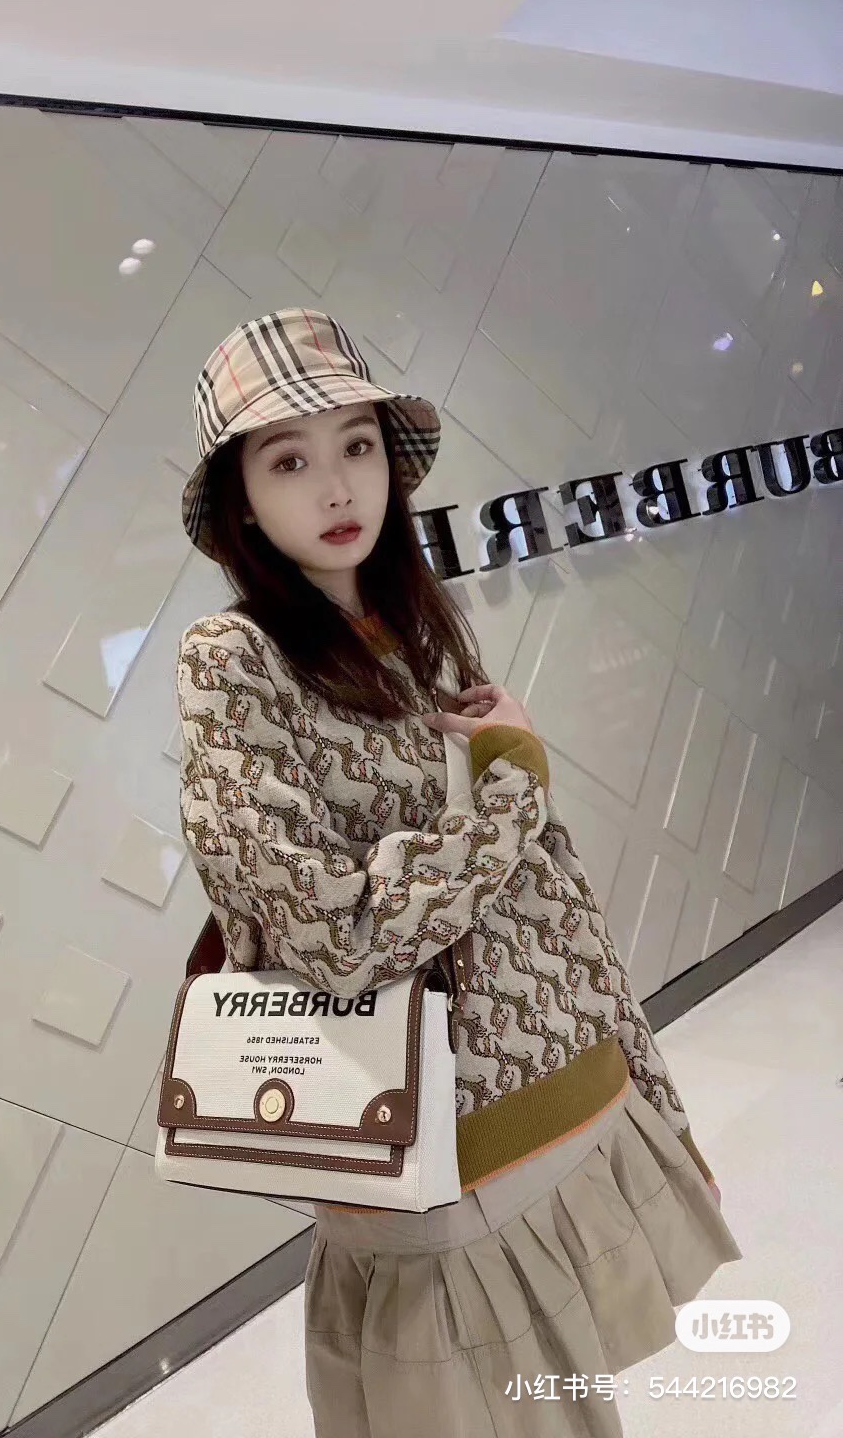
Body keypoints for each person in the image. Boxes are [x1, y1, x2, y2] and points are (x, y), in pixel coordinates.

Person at [174, 308, 741, 1438]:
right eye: (289, 460)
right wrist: (514, 784)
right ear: (240, 501)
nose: (338, 485)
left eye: (357, 445)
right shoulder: (232, 660)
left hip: (564, 1106)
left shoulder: (414, 624)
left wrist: (655, 1095)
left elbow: (550, 893)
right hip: (438, 1168)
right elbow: (337, 937)